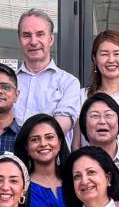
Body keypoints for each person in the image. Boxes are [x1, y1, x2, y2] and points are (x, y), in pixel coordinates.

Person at [14, 9, 83, 138]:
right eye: (26, 35)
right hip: (12, 157)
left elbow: (58, 129)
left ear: (51, 39)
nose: (33, 42)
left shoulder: (68, 83)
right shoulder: (9, 83)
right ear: (20, 40)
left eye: (40, 34)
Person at [15, 113, 69, 207]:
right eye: (35, 140)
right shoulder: (20, 187)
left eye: (49, 137)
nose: (43, 144)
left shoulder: (74, 181)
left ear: (59, 143)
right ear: (27, 148)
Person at [78, 93, 119, 162]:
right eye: (95, 116)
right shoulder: (74, 164)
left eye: (108, 115)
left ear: (118, 122)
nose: (102, 121)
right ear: (84, 123)